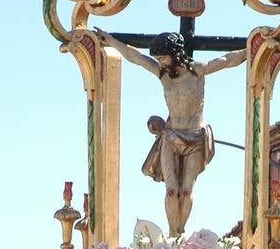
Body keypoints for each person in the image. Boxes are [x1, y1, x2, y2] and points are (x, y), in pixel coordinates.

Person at [94, 28, 246, 235]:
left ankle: (180, 234)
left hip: (196, 136)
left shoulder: (197, 70)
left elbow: (227, 60)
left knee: (185, 191)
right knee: (172, 191)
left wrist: (251, 50)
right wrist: (111, 41)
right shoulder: (162, 74)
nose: (161, 62)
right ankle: (173, 234)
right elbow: (135, 57)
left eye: (163, 57)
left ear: (175, 53)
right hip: (170, 136)